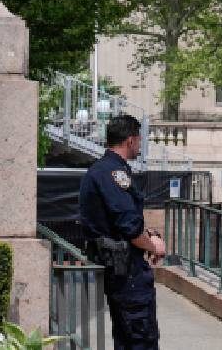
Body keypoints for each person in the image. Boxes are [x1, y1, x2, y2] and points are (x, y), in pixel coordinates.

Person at [79, 114, 166, 350]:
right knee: (140, 340)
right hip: (127, 272)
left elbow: (120, 221)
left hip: (121, 269)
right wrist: (153, 246)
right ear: (130, 141)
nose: (140, 145)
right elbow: (128, 225)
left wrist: (147, 235)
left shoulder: (102, 170)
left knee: (127, 338)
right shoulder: (113, 173)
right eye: (139, 140)